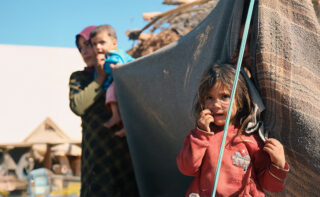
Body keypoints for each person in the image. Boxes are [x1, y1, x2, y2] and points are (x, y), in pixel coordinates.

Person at [176, 64, 289, 197]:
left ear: (240, 100)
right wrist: (201, 135)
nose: (216, 105)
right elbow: (187, 168)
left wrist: (278, 163)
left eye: (224, 96)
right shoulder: (200, 136)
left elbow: (271, 186)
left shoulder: (250, 138)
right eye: (209, 98)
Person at [69, 25, 139, 196]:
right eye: (81, 48)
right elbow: (77, 106)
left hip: (124, 153)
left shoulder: (119, 68)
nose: (85, 51)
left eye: (88, 45)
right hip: (96, 157)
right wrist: (100, 78)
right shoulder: (80, 78)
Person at [89, 24, 135, 137]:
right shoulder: (106, 56)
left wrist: (103, 66)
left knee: (111, 92)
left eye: (102, 43)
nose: (98, 47)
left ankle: (115, 116)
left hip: (122, 84)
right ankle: (125, 126)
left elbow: (113, 64)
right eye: (94, 44)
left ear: (114, 43)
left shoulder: (115, 54)